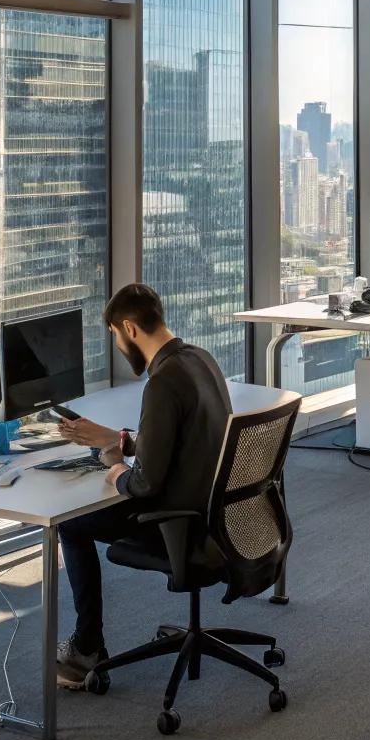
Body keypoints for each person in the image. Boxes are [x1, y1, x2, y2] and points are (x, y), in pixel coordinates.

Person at [53, 283, 231, 688]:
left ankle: (86, 648)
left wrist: (115, 468)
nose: (117, 343)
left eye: (115, 335)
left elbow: (145, 483)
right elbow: (187, 439)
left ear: (130, 329)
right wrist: (117, 439)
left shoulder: (163, 382)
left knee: (71, 523)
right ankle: (86, 645)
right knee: (89, 509)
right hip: (213, 512)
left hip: (176, 522)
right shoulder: (199, 359)